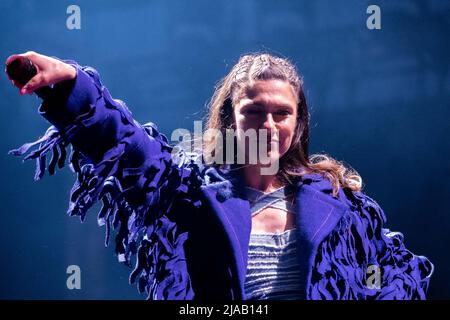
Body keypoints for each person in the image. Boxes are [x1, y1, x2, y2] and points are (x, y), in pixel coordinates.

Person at [5, 51, 433, 300]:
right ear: (231, 120)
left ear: (298, 123)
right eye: (254, 112)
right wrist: (71, 84)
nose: (268, 125)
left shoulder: (342, 204)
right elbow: (130, 148)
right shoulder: (190, 192)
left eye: (282, 113)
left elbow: (401, 271)